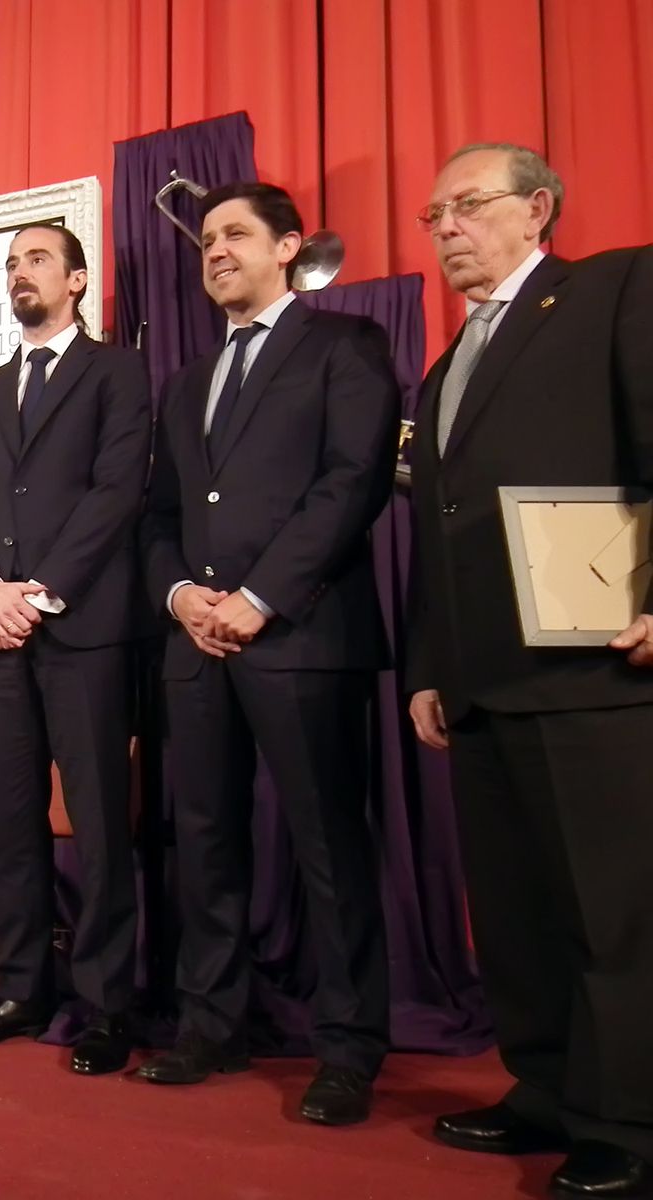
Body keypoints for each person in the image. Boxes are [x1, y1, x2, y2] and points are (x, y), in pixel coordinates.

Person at [405, 143, 653, 1197]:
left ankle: (629, 1125)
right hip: (480, 680)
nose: (447, 228)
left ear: (536, 208)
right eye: (434, 216)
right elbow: (437, 527)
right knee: (515, 914)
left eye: (467, 205)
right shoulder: (442, 367)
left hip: (594, 668)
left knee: (612, 914)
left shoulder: (613, 291)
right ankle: (546, 1090)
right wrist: (427, 665)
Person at [137, 182, 399, 1125]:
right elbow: (161, 516)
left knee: (329, 847)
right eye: (206, 239)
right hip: (196, 646)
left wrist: (258, 599)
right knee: (205, 843)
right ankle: (212, 1025)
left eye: (236, 235)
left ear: (289, 247)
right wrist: (181, 597)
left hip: (302, 636)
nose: (215, 251)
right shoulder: (184, 383)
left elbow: (351, 483)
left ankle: (349, 1049)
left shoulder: (345, 345)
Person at [0, 224, 152, 1075]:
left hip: (83, 628)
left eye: (36, 261)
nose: (19, 274)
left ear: (78, 279)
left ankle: (108, 1005)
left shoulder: (118, 373)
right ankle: (19, 990)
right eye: (11, 265)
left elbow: (116, 491)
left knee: (98, 822)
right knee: (10, 820)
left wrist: (41, 591)